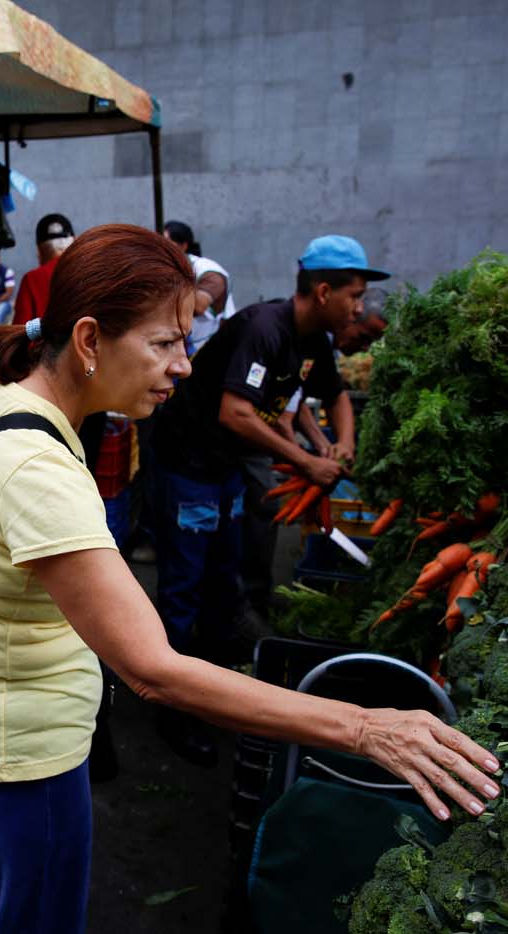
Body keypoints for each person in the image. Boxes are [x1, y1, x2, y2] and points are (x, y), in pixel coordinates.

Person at [0, 225, 499, 934]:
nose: (185, 366)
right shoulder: (36, 474)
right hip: (17, 765)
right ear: (91, 340)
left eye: (185, 340)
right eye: (165, 343)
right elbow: (154, 671)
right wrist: (364, 728)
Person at [148, 234, 385, 761]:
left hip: (226, 470)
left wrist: (342, 445)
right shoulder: (264, 328)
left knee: (221, 583)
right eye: (355, 295)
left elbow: (337, 395)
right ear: (323, 291)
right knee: (184, 591)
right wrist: (306, 460)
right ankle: (171, 708)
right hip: (189, 466)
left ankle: (208, 690)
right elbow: (235, 413)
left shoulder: (313, 340)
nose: (359, 307)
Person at [162, 220, 236, 355]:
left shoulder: (209, 271)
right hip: (184, 346)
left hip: (209, 348)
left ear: (183, 246)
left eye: (166, 242)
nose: (160, 248)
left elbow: (198, 306)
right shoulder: (168, 269)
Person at [11, 213, 74, 325]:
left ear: (39, 251)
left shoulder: (31, 279)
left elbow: (20, 331)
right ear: (75, 242)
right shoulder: (89, 274)